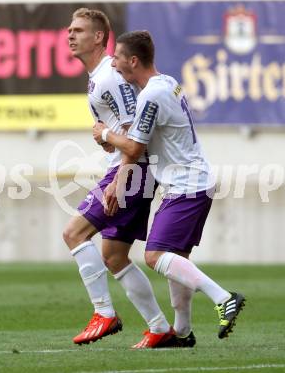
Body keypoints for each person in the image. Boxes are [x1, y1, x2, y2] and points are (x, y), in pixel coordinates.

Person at [93, 30, 246, 340]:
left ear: (133, 60)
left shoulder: (152, 94)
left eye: (118, 58)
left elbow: (135, 149)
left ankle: (223, 298)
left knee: (155, 256)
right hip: (192, 182)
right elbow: (140, 143)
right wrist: (119, 168)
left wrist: (106, 134)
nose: (114, 64)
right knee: (176, 259)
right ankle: (183, 332)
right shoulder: (166, 84)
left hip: (186, 186)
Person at [64, 9, 176, 349]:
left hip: (132, 170)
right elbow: (124, 127)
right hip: (133, 169)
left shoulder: (110, 76)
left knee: (74, 233)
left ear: (99, 37)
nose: (70, 35)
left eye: (79, 30)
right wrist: (106, 136)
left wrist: (119, 173)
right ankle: (160, 328)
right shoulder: (100, 76)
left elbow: (135, 131)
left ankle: (104, 314)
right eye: (69, 30)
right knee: (113, 255)